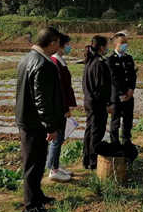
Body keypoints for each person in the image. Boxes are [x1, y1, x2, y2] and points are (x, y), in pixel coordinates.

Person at [16, 26, 66, 212]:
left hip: (29, 120)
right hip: (34, 123)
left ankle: (37, 195)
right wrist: (50, 126)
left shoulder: (27, 58)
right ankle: (31, 206)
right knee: (32, 165)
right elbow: (42, 100)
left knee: (36, 162)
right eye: (58, 44)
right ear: (53, 43)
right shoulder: (42, 64)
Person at [47, 33, 76, 182]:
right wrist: (65, 109)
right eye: (67, 43)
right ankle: (53, 170)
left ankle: (56, 165)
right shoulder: (54, 62)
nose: (69, 46)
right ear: (60, 44)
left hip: (61, 106)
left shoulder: (60, 61)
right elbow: (60, 90)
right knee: (57, 139)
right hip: (58, 108)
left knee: (60, 138)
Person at [82, 35, 114, 169]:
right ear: (101, 47)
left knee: (89, 130)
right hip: (97, 103)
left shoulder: (89, 62)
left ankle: (86, 159)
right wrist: (108, 103)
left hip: (89, 101)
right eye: (106, 46)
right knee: (97, 132)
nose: (107, 49)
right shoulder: (99, 64)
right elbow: (101, 87)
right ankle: (93, 161)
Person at [106, 32, 137, 146]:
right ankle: (114, 142)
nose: (125, 45)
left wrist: (131, 89)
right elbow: (114, 78)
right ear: (115, 44)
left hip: (129, 94)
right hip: (117, 95)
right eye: (122, 42)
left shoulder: (128, 58)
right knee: (115, 120)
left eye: (126, 43)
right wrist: (124, 91)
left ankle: (126, 140)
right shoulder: (110, 60)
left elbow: (133, 75)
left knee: (128, 119)